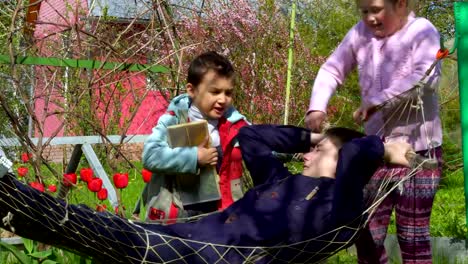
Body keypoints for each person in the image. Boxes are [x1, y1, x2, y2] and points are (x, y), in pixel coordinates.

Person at [0, 125, 412, 263]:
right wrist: (315, 135)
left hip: (215, 258)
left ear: (343, 165)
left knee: (95, 228)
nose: (307, 153)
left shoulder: (341, 204)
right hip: (183, 239)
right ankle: (8, 204)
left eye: (319, 151)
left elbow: (358, 151)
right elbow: (251, 138)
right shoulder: (280, 182)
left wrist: (385, 149)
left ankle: (6, 192)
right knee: (76, 230)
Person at [305, 0, 442, 262]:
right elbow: (331, 70)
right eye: (363, 10)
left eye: (376, 9)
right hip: (374, 151)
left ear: (400, 4)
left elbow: (426, 77)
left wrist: (378, 99)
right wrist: (317, 107)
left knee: (413, 236)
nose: (369, 18)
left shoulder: (422, 31)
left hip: (418, 152)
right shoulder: (359, 34)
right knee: (366, 232)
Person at [133, 51, 249, 222]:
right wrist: (194, 157)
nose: (223, 99)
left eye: (228, 93)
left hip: (221, 216)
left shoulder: (236, 124)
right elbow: (150, 155)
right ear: (192, 90)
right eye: (215, 91)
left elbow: (265, 147)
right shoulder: (173, 120)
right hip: (177, 217)